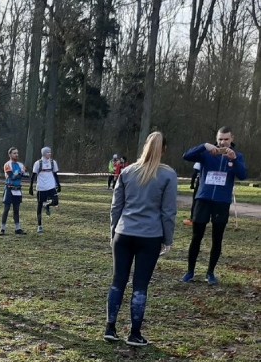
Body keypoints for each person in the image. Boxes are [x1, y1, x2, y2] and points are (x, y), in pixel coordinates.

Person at [104, 131, 177, 347]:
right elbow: (168, 212)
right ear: (163, 150)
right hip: (150, 236)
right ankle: (135, 333)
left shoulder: (127, 172)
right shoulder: (167, 175)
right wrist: (168, 238)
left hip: (124, 233)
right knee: (140, 285)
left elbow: (116, 206)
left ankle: (110, 327)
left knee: (118, 281)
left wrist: (113, 232)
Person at [181, 127, 247, 285]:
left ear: (231, 139)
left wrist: (234, 159)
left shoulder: (237, 156)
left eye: (226, 139)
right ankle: (190, 272)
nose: (222, 142)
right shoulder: (206, 153)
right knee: (197, 237)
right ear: (216, 139)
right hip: (203, 199)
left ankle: (210, 273)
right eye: (220, 139)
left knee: (217, 238)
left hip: (221, 202)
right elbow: (186, 156)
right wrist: (204, 145)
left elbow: (243, 175)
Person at [29, 146, 60, 234]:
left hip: (51, 186)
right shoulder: (38, 163)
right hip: (41, 188)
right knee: (39, 206)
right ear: (43, 153)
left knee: (56, 202)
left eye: (50, 152)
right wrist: (30, 187)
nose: (49, 154)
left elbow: (55, 174)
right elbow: (33, 176)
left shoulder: (53, 162)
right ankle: (39, 226)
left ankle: (46, 205)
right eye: (47, 152)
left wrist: (59, 184)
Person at [0, 147, 29, 236]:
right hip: (9, 188)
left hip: (17, 189)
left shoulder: (20, 164)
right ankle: (2, 229)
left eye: (17, 153)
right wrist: (20, 174)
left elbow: (26, 175)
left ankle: (18, 228)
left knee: (16, 209)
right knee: (6, 209)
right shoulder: (7, 164)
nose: (16, 155)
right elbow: (11, 176)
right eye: (14, 153)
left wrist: (19, 174)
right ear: (10, 154)